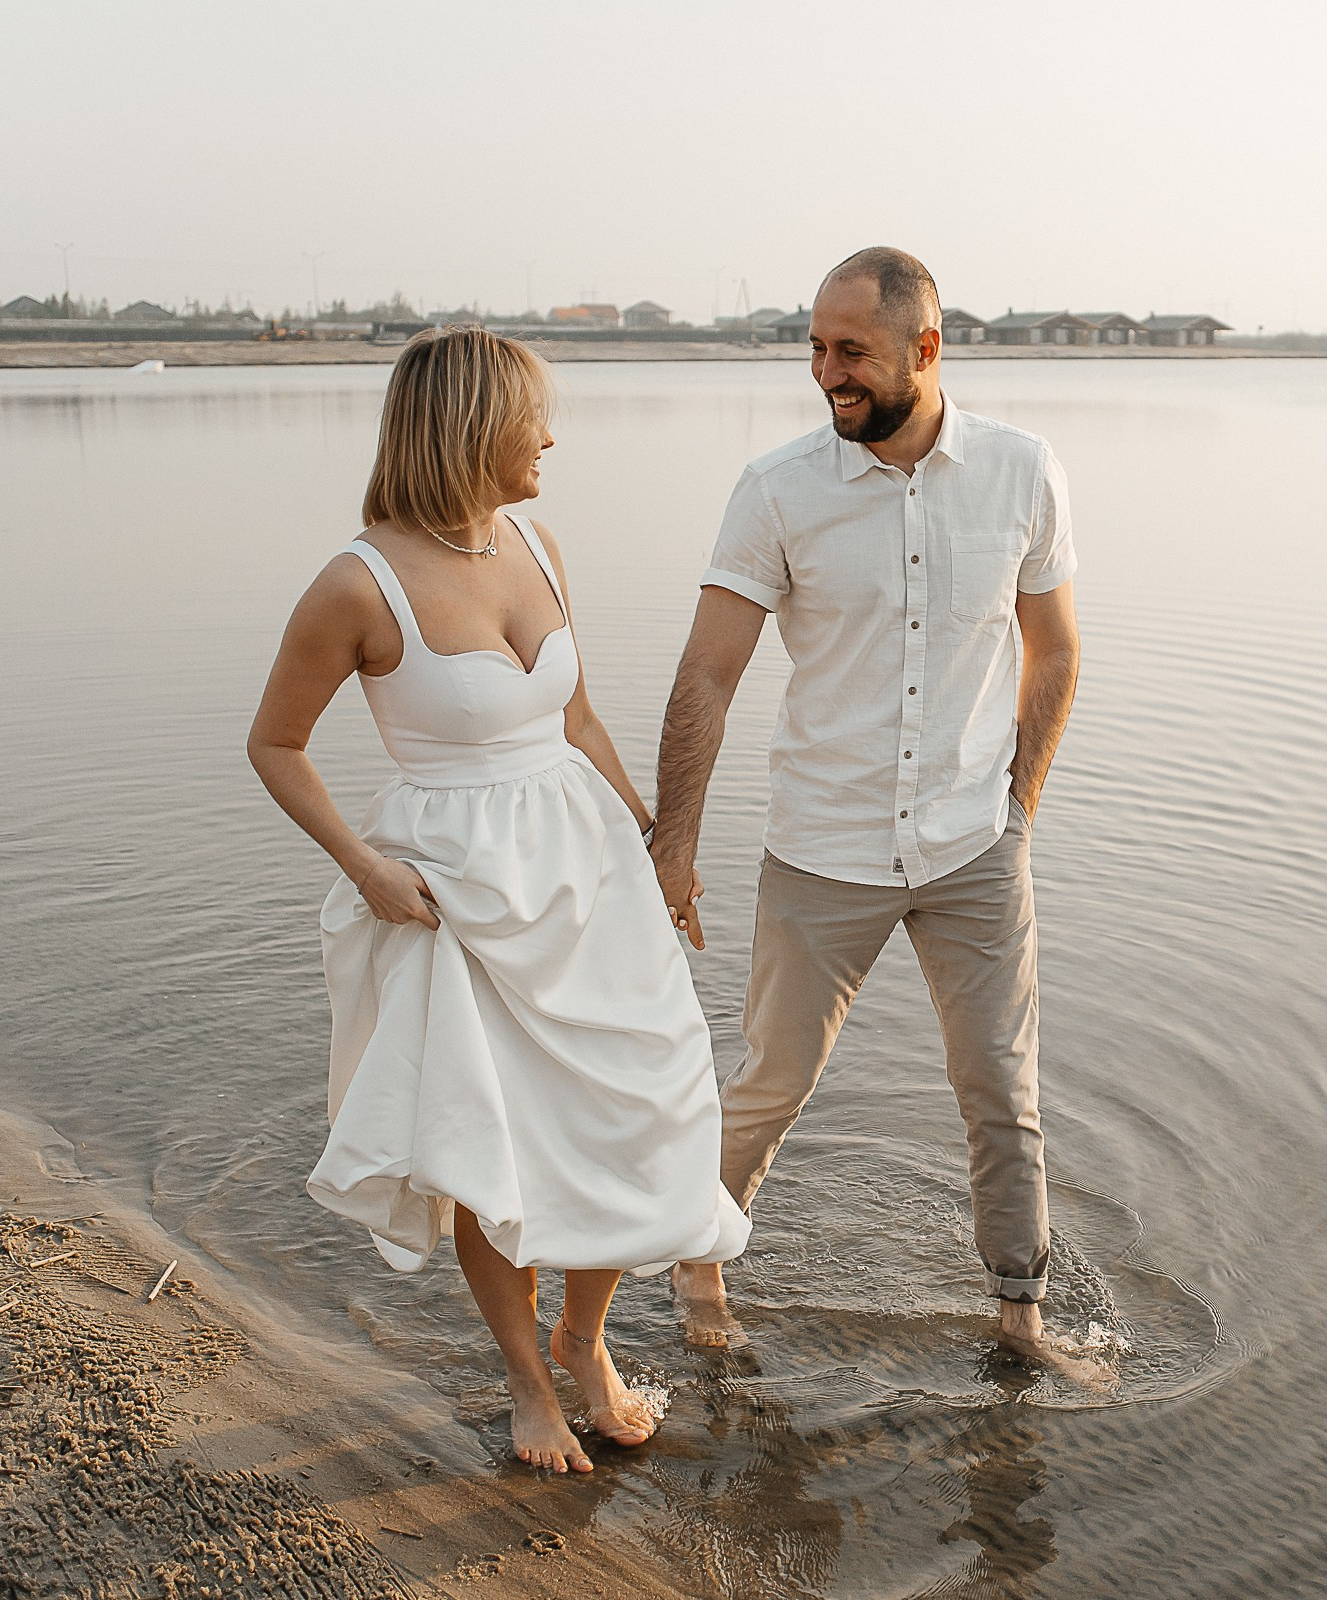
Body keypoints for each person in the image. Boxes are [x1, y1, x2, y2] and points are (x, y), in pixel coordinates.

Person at [247, 326, 747, 1473]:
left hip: (589, 868)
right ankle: (527, 1381)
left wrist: (658, 844)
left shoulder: (540, 542)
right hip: (457, 891)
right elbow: (275, 743)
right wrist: (366, 869)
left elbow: (576, 719)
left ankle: (586, 1339)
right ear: (475, 426)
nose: (552, 436)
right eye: (535, 415)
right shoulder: (354, 582)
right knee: (490, 1135)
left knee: (647, 1100)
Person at [648, 247, 1082, 1356]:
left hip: (975, 844)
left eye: (850, 352)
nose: (825, 373)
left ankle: (1019, 1315)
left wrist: (1017, 806)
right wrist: (674, 845)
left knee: (1001, 1085)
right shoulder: (777, 490)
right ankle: (699, 1271)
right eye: (814, 349)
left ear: (925, 351)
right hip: (821, 846)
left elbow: (1057, 651)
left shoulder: (1024, 472)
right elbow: (707, 674)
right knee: (772, 1082)